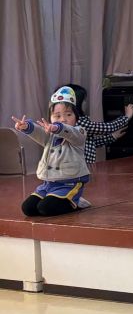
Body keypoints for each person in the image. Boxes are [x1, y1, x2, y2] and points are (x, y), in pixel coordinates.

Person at [14, 86, 92, 216]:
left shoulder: (79, 132)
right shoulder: (50, 136)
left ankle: (76, 201)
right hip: (48, 184)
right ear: (50, 118)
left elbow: (69, 132)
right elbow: (39, 133)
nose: (63, 119)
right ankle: (61, 199)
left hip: (70, 183)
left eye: (68, 114)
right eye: (57, 116)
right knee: (28, 208)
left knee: (46, 208)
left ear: (76, 117)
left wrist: (58, 128)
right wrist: (26, 126)